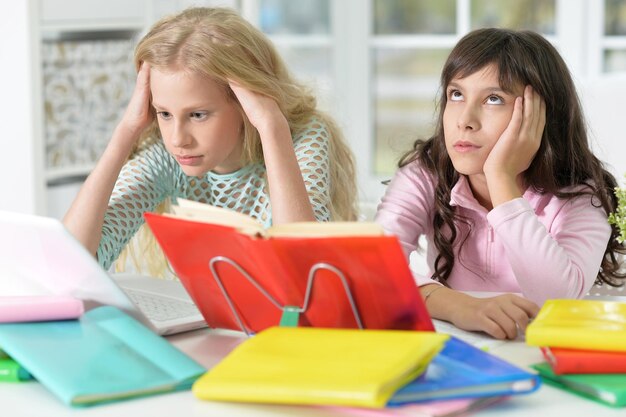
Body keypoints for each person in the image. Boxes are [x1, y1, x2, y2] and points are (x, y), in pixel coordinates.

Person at [63, 7, 357, 276]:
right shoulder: (167, 158)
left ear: (246, 102)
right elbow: (72, 263)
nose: (178, 139)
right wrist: (126, 131)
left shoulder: (302, 139)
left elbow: (303, 273)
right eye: (163, 113)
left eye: (198, 115)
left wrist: (272, 126)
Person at [375, 28, 626, 340]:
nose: (464, 120)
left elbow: (557, 301)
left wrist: (501, 179)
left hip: (539, 352)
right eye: (456, 94)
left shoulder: (581, 195)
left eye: (493, 99)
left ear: (541, 115)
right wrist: (457, 306)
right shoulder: (425, 173)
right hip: (453, 344)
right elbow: (375, 272)